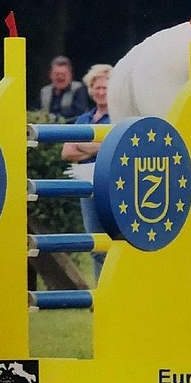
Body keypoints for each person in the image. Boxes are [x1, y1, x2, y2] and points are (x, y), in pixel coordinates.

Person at [61, 64, 113, 280]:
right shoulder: (83, 119)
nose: (101, 92)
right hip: (87, 186)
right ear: (91, 90)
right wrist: (99, 147)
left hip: (112, 185)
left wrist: (84, 146)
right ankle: (101, 290)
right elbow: (66, 152)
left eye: (105, 87)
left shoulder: (119, 116)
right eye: (97, 88)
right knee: (95, 242)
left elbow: (114, 149)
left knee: (116, 242)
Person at [38, 56, 89, 122]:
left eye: (63, 74)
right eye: (57, 74)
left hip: (70, 129)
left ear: (70, 75)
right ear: (50, 75)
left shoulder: (78, 89)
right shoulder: (44, 91)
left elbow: (80, 114)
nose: (60, 77)